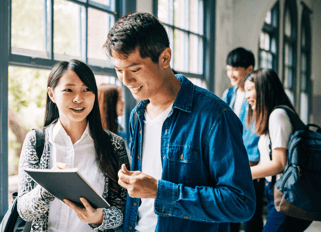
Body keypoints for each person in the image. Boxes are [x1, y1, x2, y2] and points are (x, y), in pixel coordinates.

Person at [103, 12, 256, 232]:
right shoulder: (137, 115)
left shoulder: (214, 116)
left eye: (134, 69)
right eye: (119, 71)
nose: (126, 81)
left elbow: (241, 202)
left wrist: (159, 190)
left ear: (165, 58)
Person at [17, 60, 130, 232]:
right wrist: (51, 185)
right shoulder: (36, 141)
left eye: (86, 90)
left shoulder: (114, 145)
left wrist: (99, 218)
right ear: (52, 94)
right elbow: (24, 210)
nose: (79, 98)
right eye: (68, 90)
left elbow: (122, 209)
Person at [244, 69, 313, 232]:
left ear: (263, 90)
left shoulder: (278, 115)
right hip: (278, 192)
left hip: (288, 193)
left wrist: (244, 172)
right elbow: (269, 159)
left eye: (249, 90)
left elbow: (279, 163)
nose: (246, 96)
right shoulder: (273, 116)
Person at [222, 47, 264, 232]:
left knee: (251, 217)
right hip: (230, 163)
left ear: (249, 69)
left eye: (236, 68)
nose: (231, 73)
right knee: (230, 214)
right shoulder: (228, 94)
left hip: (252, 162)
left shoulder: (257, 95)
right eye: (229, 68)